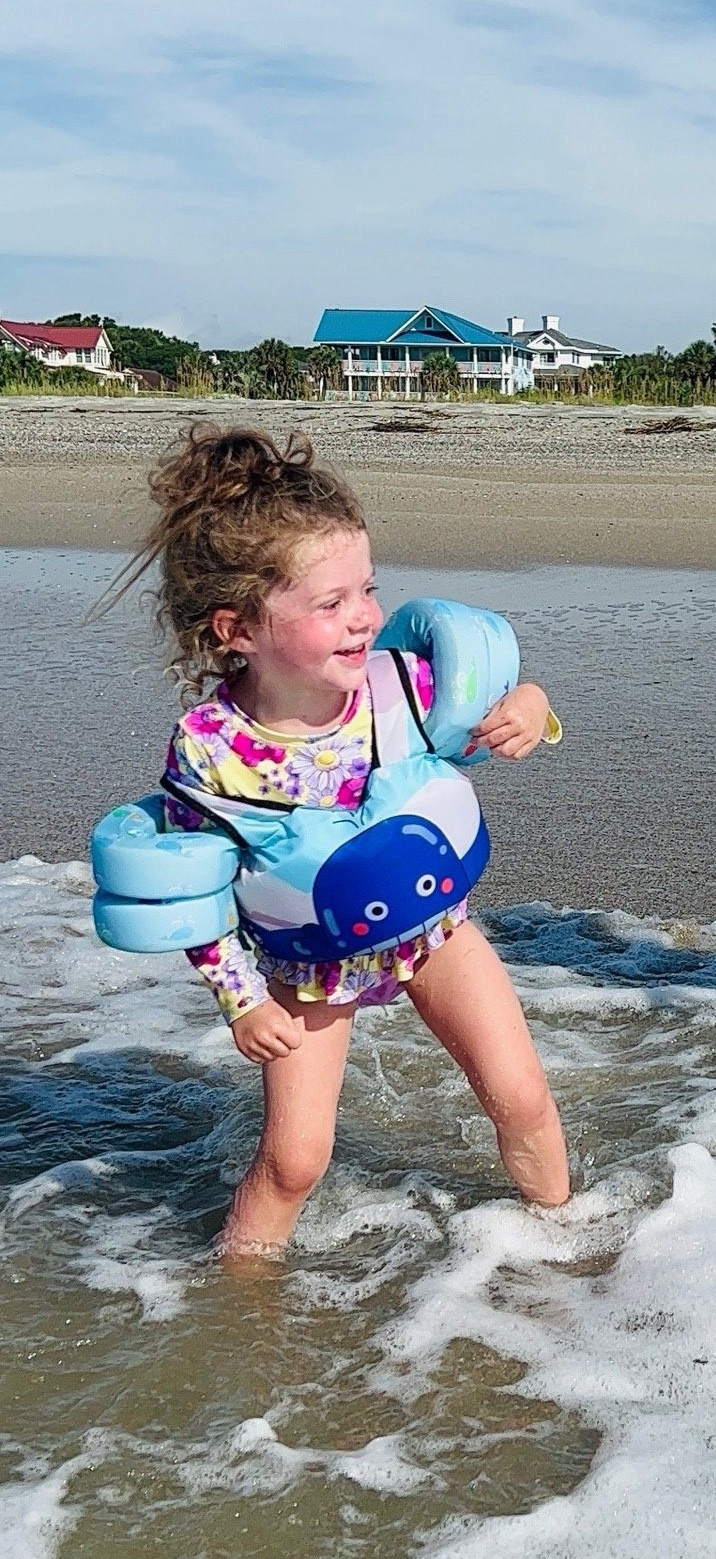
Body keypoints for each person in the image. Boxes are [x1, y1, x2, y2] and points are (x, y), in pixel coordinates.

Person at [106, 425, 570, 1256]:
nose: (366, 618)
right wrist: (242, 999)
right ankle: (240, 1299)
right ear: (238, 629)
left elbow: (498, 716)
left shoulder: (405, 686)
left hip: (435, 933)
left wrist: (533, 707)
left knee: (523, 1097)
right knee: (294, 1161)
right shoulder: (212, 751)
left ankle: (566, 1242)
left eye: (368, 589)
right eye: (332, 604)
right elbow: (195, 890)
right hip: (306, 964)